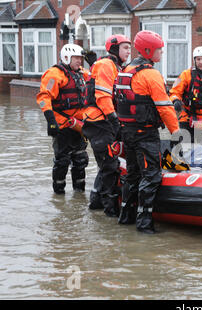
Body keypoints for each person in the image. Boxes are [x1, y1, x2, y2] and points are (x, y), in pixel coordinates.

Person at [115, 30, 179, 233]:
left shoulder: (125, 70)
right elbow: (165, 108)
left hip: (128, 132)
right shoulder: (151, 74)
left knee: (132, 175)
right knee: (151, 176)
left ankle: (126, 217)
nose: (161, 53)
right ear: (149, 50)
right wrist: (176, 134)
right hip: (145, 135)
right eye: (159, 50)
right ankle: (144, 224)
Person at [83, 34, 131, 217]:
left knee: (106, 164)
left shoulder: (116, 67)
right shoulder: (106, 65)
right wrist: (114, 121)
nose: (129, 51)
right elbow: (103, 97)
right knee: (110, 165)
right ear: (114, 49)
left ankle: (95, 202)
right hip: (99, 122)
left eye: (129, 48)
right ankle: (110, 211)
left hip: (104, 122)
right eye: (125, 48)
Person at [37, 44, 89, 194]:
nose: (80, 61)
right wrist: (50, 120)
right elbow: (43, 97)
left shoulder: (82, 74)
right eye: (76, 58)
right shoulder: (54, 75)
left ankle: (79, 194)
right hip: (62, 126)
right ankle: (59, 194)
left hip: (78, 127)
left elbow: (97, 79)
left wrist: (94, 63)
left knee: (80, 161)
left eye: (81, 58)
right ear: (67, 58)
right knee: (62, 161)